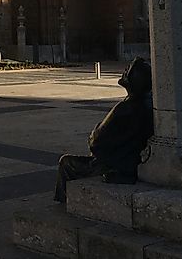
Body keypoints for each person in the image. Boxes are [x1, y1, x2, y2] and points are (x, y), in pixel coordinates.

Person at [53, 57, 154, 203]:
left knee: (66, 163)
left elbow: (96, 142)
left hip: (118, 165)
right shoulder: (147, 104)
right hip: (132, 161)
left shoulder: (124, 108)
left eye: (128, 70)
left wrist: (94, 134)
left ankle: (66, 203)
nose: (124, 72)